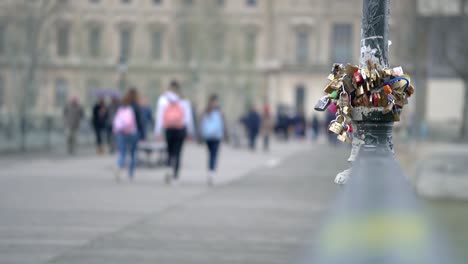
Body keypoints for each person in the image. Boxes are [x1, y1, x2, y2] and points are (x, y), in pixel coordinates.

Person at [155, 80, 195, 185]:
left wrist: (158, 131)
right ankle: (175, 176)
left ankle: (168, 169)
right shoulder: (184, 101)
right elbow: (188, 118)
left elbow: (160, 116)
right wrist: (190, 131)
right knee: (178, 152)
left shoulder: (163, 99)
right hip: (180, 129)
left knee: (169, 151)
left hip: (169, 128)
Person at [113, 88, 144, 181]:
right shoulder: (136, 106)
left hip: (121, 131)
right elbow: (139, 121)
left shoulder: (123, 105)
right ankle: (130, 173)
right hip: (133, 132)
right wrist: (142, 133)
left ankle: (119, 165)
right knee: (133, 153)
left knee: (122, 152)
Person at [200, 94, 226, 186]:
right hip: (212, 136)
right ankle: (211, 172)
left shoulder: (206, 111)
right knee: (212, 154)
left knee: (212, 155)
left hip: (213, 136)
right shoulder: (217, 112)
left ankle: (211, 172)